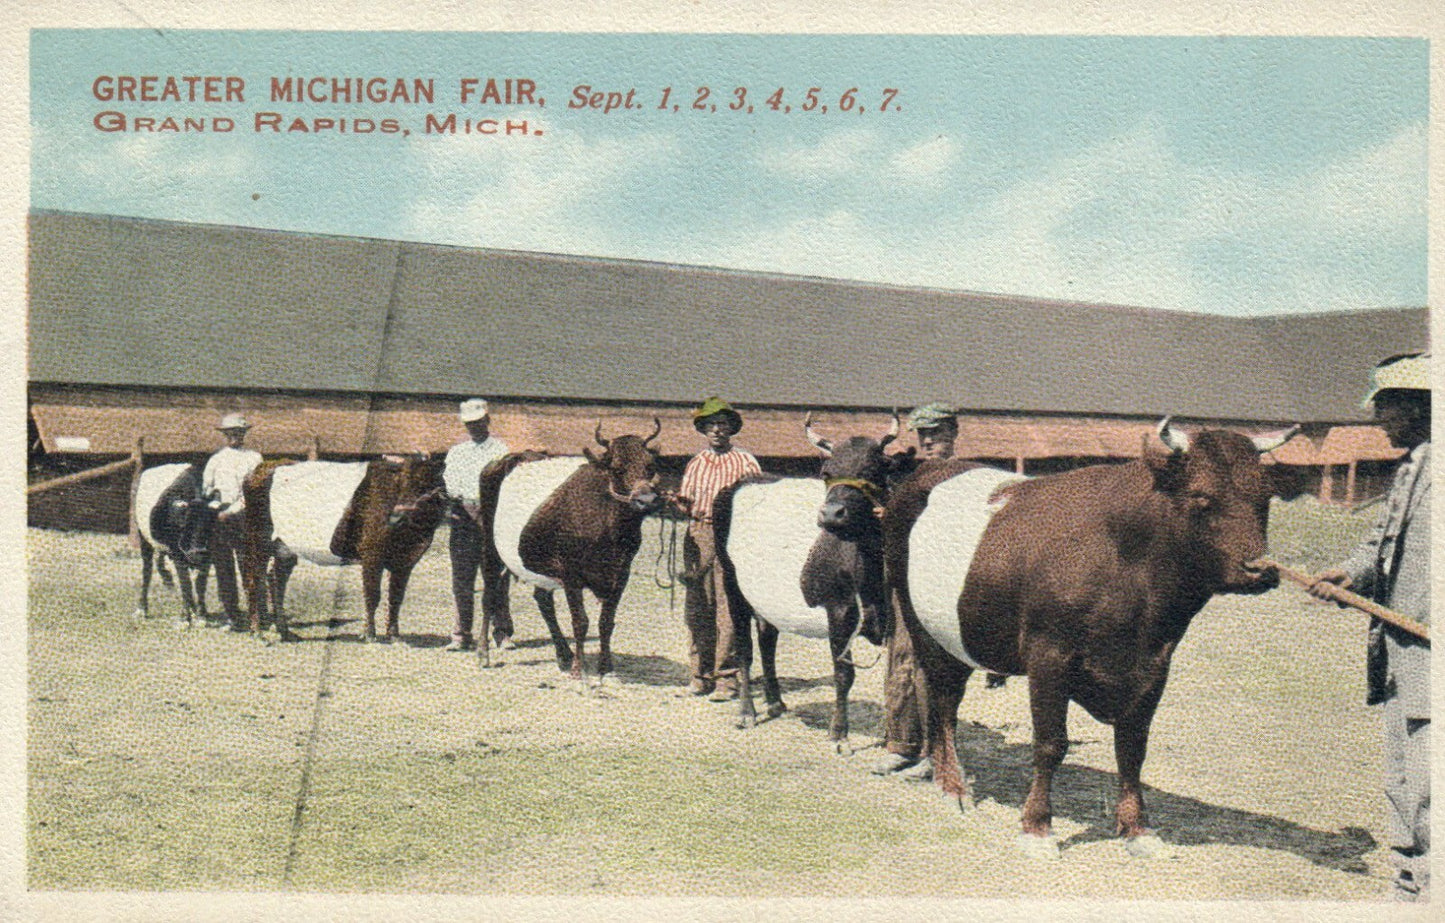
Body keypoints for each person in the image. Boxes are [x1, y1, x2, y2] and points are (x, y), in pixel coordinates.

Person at [1308, 352, 1431, 902]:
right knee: (1405, 773)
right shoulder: (1410, 469)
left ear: (1419, 405)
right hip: (1403, 650)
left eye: (1385, 407)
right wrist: (1351, 574)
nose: (1378, 420)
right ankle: (1411, 882)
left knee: (1431, 777)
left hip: (1432, 650)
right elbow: (1379, 540)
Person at [674, 397, 762, 700]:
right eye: (710, 425)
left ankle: (727, 679)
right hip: (698, 535)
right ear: (703, 429)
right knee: (698, 606)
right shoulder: (696, 462)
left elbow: (756, 500)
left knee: (727, 608)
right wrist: (679, 504)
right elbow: (686, 500)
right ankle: (699, 676)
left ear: (731, 428)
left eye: (722, 424)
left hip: (732, 535)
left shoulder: (746, 462)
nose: (716, 430)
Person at [442, 398, 513, 652]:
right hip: (462, 516)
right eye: (470, 424)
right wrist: (458, 500)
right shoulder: (457, 452)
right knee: (462, 579)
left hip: (491, 515)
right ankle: (461, 635)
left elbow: (505, 482)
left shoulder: (500, 450)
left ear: (488, 421)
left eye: (479, 422)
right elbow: (450, 484)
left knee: (496, 579)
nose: (475, 428)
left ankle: (501, 633)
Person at [202, 413, 263, 630]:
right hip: (220, 518)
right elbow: (207, 489)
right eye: (230, 434)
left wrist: (234, 510)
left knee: (249, 566)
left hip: (245, 516)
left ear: (244, 434)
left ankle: (257, 614)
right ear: (224, 435)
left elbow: (255, 491)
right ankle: (232, 616)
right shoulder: (216, 460)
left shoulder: (254, 458)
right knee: (223, 567)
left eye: (238, 433)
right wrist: (215, 504)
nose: (234, 437)